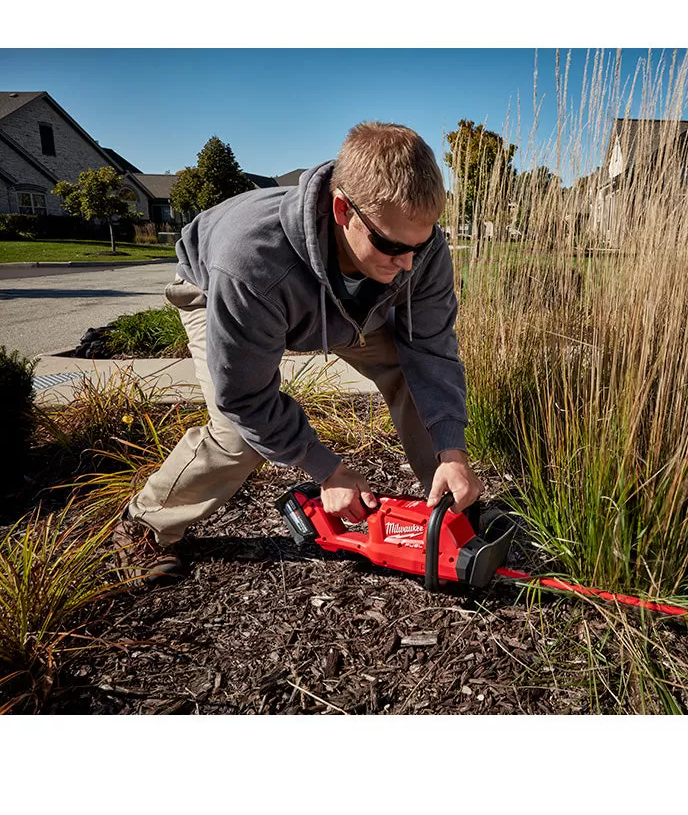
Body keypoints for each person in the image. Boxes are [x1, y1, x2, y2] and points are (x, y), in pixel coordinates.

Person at [114, 122, 484, 579]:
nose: (408, 263)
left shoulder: (415, 250)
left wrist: (452, 451)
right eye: (391, 245)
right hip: (221, 291)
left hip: (348, 307)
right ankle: (146, 525)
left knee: (412, 373)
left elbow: (431, 350)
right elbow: (245, 398)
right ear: (343, 209)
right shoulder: (251, 261)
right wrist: (328, 471)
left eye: (419, 245)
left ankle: (446, 507)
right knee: (237, 433)